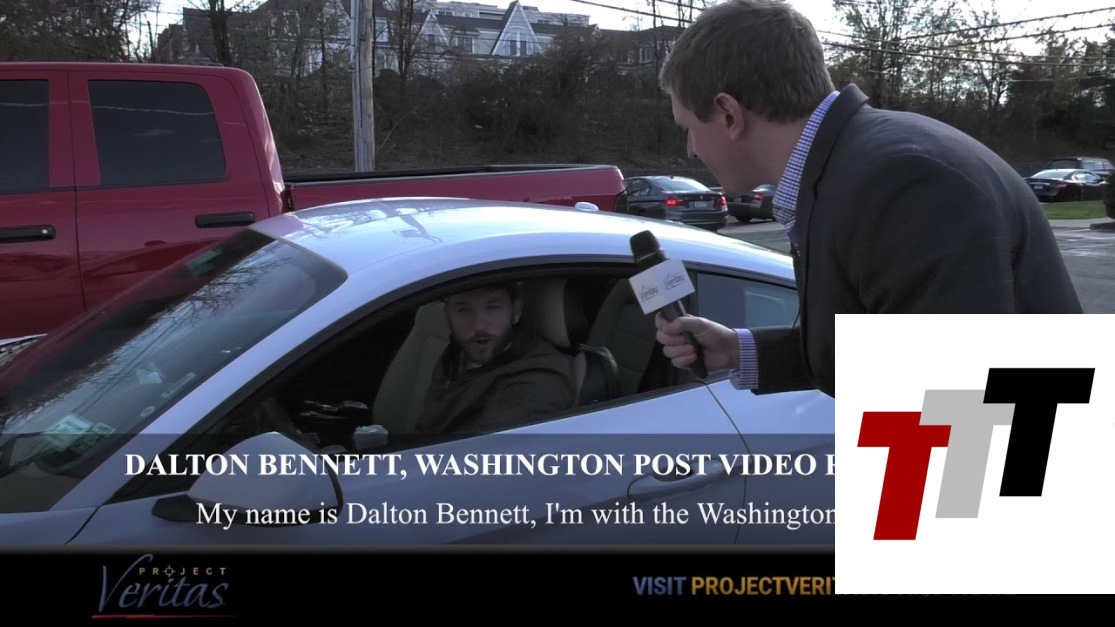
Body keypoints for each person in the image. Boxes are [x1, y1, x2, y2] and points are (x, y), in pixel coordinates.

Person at [654, 0, 1083, 399]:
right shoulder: (854, 164)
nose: (691, 150)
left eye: (687, 128)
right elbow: (899, 351)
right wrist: (739, 351)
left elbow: (955, 397)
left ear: (729, 115)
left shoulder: (900, 180)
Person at [415, 281, 577, 434]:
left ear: (516, 311)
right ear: (447, 314)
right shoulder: (456, 353)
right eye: (463, 310)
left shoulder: (538, 377)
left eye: (492, 308)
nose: (479, 326)